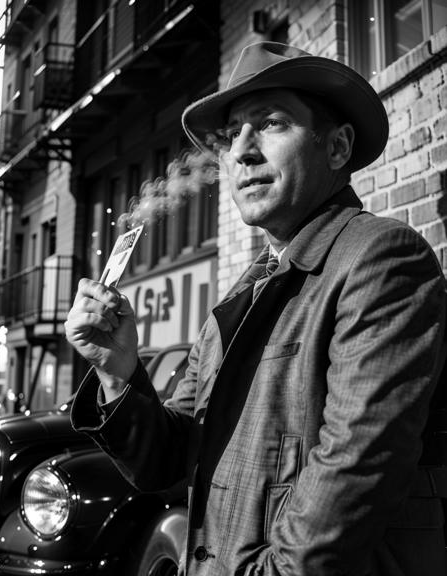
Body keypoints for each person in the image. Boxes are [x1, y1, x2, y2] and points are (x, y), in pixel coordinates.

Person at [66, 42, 446, 576]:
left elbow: (354, 471)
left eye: (270, 123)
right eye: (231, 135)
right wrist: (117, 371)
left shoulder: (380, 257)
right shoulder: (242, 293)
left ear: (336, 148)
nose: (241, 151)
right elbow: (166, 461)